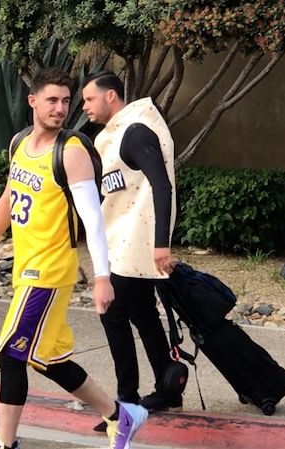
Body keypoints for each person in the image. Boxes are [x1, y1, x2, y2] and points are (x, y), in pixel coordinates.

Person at [0, 67, 148, 449]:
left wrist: (102, 278)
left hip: (49, 271)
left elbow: (92, 219)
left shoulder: (73, 151)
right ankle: (120, 415)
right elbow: (8, 198)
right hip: (25, 269)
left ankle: (5, 443)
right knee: (46, 359)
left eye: (66, 101)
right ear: (33, 101)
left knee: (11, 352)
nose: (60, 108)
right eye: (52, 100)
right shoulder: (19, 143)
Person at [81, 71, 181, 419]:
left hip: (136, 243)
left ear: (111, 96)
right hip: (120, 239)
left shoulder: (135, 132)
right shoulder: (112, 135)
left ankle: (126, 401)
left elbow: (162, 185)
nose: (84, 107)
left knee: (112, 311)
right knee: (141, 313)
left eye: (89, 99)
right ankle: (168, 389)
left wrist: (160, 244)